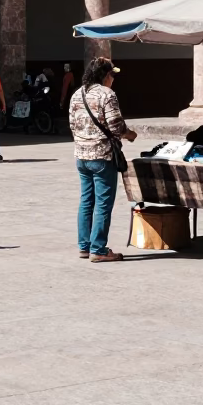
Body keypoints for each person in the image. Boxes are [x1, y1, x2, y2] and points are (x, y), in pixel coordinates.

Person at [69, 56, 137, 263]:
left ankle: (84, 246)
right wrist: (130, 134)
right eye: (112, 75)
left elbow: (72, 123)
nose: (113, 80)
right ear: (106, 75)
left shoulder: (77, 94)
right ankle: (98, 249)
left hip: (81, 155)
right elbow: (116, 125)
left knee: (86, 201)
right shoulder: (107, 94)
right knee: (103, 204)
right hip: (103, 156)